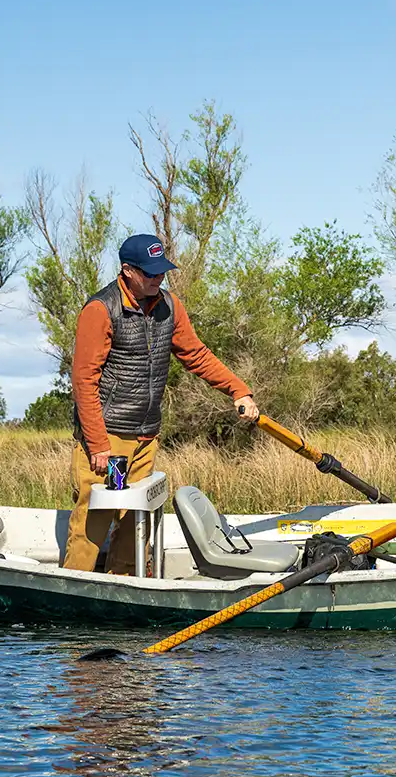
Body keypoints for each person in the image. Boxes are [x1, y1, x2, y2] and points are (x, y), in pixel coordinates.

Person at [63, 234, 259, 573]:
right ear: (127, 270)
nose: (158, 278)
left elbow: (196, 354)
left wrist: (238, 390)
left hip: (146, 436)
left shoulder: (170, 306)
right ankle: (72, 587)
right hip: (108, 438)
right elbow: (84, 381)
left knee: (135, 522)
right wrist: (97, 444)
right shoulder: (100, 310)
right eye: (150, 272)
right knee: (92, 521)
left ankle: (127, 585)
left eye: (162, 271)